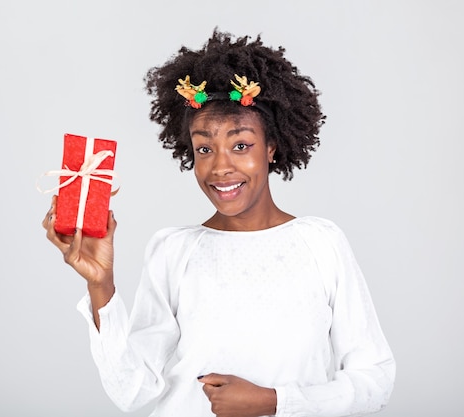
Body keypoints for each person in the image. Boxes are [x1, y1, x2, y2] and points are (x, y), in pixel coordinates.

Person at [42, 29, 395, 417]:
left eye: (241, 145)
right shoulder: (174, 250)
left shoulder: (321, 244)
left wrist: (273, 401)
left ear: (271, 148)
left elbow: (373, 381)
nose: (221, 166)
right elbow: (134, 391)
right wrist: (101, 285)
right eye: (205, 148)